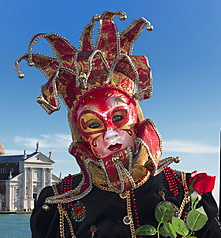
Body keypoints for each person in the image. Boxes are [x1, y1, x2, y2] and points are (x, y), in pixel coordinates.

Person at [15, 10, 221, 238]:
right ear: (79, 134)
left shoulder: (185, 190)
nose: (111, 135)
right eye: (93, 125)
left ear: (137, 117)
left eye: (118, 117)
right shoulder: (56, 202)